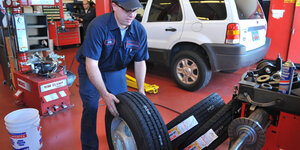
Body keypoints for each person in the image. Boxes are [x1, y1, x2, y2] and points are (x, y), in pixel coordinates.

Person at [75, 0, 148, 149]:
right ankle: (89, 146)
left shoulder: (139, 30)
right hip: (92, 69)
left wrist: (141, 90)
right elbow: (92, 64)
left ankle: (120, 141)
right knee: (90, 107)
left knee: (121, 107)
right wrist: (104, 94)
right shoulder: (98, 26)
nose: (132, 15)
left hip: (117, 71)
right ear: (114, 6)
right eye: (127, 10)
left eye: (135, 10)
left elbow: (140, 61)